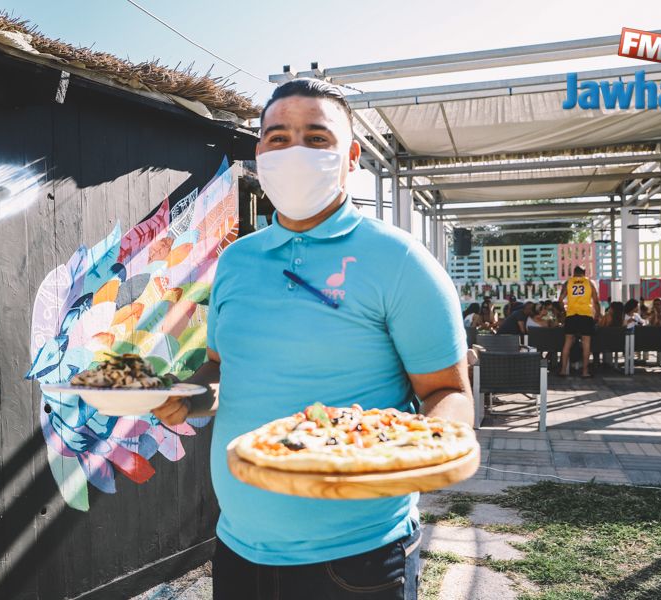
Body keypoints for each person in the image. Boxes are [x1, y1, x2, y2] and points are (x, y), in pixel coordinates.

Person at [153, 78, 472, 600]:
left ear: (352, 157)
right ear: (260, 154)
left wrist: (421, 453)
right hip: (237, 548)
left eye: (316, 138)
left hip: (356, 559)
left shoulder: (400, 261)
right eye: (278, 138)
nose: (294, 151)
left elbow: (449, 393)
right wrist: (187, 398)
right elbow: (222, 370)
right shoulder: (236, 261)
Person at [558, 266, 600, 377]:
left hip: (571, 315)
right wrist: (597, 314)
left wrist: (564, 311)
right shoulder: (590, 283)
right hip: (586, 315)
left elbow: (560, 300)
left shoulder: (568, 282)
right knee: (586, 344)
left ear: (574, 273)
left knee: (567, 343)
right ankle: (585, 372)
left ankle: (563, 370)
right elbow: (596, 301)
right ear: (584, 273)